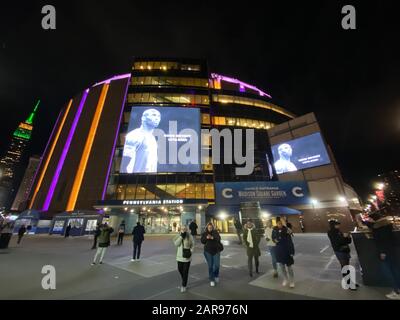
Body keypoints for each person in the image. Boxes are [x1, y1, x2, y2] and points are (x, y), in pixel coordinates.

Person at [365, 212, 400, 300]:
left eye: (371, 219)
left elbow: (382, 241)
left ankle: (396, 292)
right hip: (392, 251)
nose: (370, 220)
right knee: (395, 270)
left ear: (374, 219)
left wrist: (382, 252)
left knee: (388, 272)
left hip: (386, 253)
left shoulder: (378, 228)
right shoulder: (386, 225)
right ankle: (398, 290)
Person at [121, 108, 161, 173]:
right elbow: (124, 165)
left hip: (150, 180)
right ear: (143, 118)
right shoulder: (135, 135)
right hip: (136, 180)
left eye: (159, 116)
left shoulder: (152, 138)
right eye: (153, 115)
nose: (157, 118)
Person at [327, 219, 358, 291]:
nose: (338, 225)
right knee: (345, 267)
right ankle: (348, 283)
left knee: (347, 266)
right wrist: (344, 236)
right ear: (333, 225)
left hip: (345, 250)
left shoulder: (339, 231)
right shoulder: (331, 233)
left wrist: (348, 236)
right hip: (339, 251)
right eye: (336, 224)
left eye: (338, 224)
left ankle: (350, 282)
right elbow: (337, 242)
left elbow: (348, 241)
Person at [272, 219, 295, 288]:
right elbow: (273, 237)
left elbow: (290, 242)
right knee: (282, 267)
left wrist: (292, 252)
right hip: (279, 250)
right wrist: (274, 240)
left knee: (289, 267)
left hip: (287, 250)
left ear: (282, 223)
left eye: (281, 223)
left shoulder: (287, 230)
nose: (280, 224)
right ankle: (285, 279)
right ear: (276, 224)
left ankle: (292, 281)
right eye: (278, 223)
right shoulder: (274, 230)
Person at [173, 225, 194, 293]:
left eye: (185, 229)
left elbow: (192, 244)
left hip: (187, 257)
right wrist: (181, 237)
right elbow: (176, 244)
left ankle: (184, 285)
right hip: (179, 257)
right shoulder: (178, 235)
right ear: (180, 229)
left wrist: (191, 251)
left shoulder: (189, 236)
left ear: (186, 229)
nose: (183, 230)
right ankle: (184, 279)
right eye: (182, 229)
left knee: (185, 271)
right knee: (179, 269)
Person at [201, 222, 222, 286]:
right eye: (209, 227)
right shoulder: (205, 233)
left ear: (213, 227)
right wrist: (206, 238)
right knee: (210, 266)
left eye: (211, 227)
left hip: (216, 251)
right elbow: (202, 241)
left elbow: (219, 239)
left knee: (217, 265)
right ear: (207, 227)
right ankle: (212, 279)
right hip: (208, 252)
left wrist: (212, 237)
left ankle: (216, 275)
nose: (210, 228)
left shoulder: (215, 232)